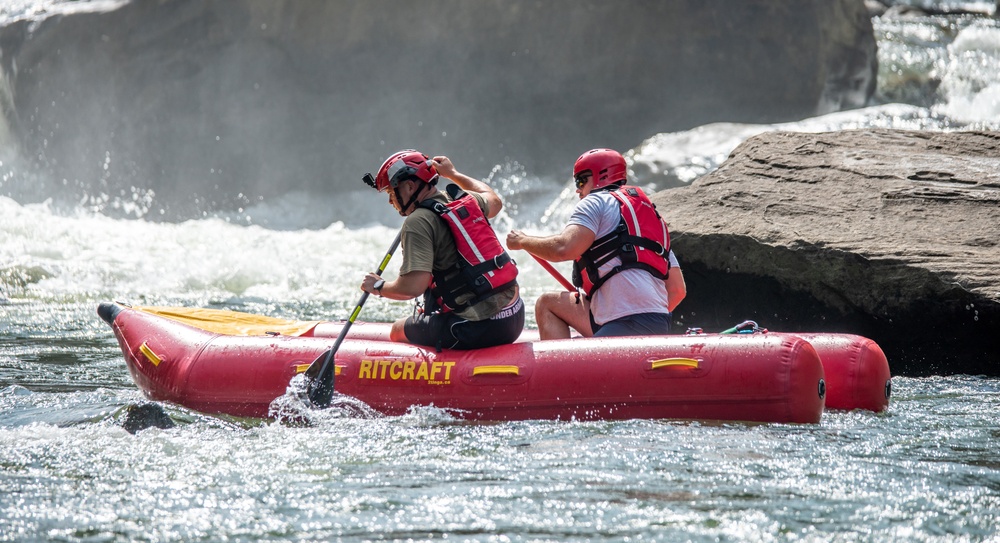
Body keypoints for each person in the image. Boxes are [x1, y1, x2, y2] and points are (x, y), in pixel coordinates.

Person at [506, 148, 686, 340]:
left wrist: (523, 241)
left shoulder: (594, 201)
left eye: (581, 180)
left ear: (600, 176)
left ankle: (566, 368)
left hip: (623, 323)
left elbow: (563, 249)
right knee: (548, 303)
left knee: (546, 306)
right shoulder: (652, 219)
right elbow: (677, 290)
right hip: (658, 322)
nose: (577, 188)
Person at [359, 150, 524, 350]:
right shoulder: (464, 200)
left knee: (397, 330)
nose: (390, 201)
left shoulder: (417, 222)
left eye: (391, 192)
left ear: (410, 187)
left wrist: (378, 287)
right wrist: (453, 174)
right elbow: (494, 200)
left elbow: (412, 287)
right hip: (514, 315)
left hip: (477, 328)